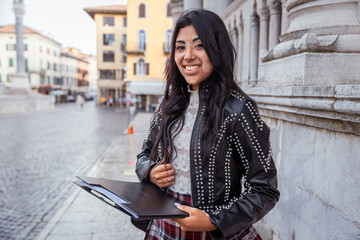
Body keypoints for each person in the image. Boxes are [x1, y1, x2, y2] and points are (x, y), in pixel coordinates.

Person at [135, 9, 280, 240]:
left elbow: (265, 189)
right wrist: (151, 171)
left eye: (199, 45)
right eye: (180, 47)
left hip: (214, 230)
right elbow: (144, 154)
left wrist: (214, 220)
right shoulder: (167, 103)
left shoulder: (238, 109)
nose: (188, 56)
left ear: (217, 49)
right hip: (163, 226)